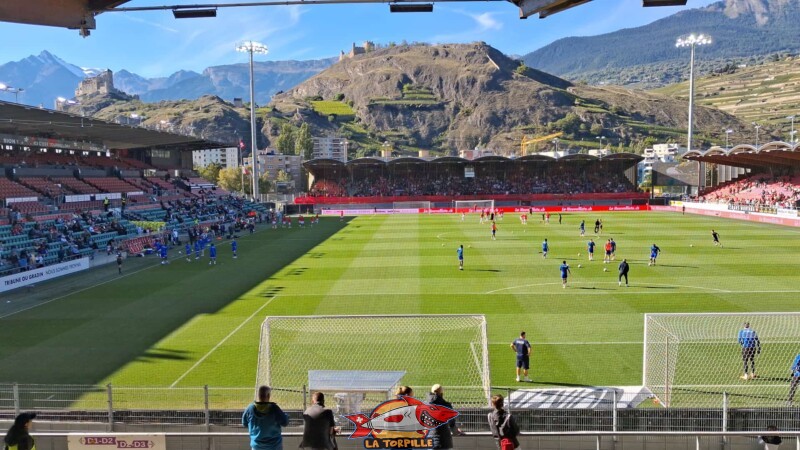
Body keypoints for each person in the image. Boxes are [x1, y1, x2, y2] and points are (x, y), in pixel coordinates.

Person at [243, 386, 289, 450]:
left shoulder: (250, 408)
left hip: (257, 446)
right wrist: (286, 416)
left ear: (258, 395)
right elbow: (285, 422)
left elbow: (244, 423)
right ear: (268, 396)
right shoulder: (274, 408)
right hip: (274, 446)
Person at [427, 385, 462, 449]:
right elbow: (452, 423)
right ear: (441, 393)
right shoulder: (446, 405)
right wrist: (455, 431)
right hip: (443, 441)